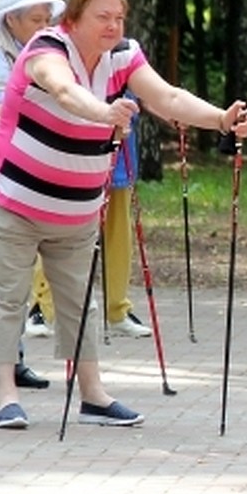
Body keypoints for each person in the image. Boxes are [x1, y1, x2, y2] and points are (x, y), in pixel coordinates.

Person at [0, 0, 247, 430]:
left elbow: (167, 96)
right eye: (102, 17)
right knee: (8, 298)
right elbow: (66, 91)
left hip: (79, 208)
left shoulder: (124, 55)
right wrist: (103, 113)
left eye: (119, 17)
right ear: (72, 19)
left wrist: (221, 120)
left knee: (80, 302)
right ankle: (6, 397)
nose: (113, 26)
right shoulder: (47, 49)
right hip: (18, 199)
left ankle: (92, 395)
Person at [0, 0, 61, 393]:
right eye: (36, 20)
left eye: (47, 19)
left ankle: (11, 357)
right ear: (12, 21)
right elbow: (1, 108)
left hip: (16, 179)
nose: (44, 27)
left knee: (14, 271)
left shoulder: (33, 54)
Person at [101, 124, 154, 338]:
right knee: (60, 231)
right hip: (72, 149)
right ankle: (44, 308)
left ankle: (117, 311)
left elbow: (154, 94)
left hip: (119, 151)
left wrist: (171, 116)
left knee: (118, 233)